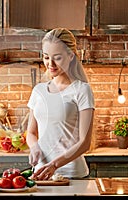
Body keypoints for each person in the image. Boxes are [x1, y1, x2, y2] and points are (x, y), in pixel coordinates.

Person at [26, 28, 95, 180]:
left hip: (72, 175)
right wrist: (35, 147)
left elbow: (85, 143)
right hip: (41, 175)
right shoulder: (38, 90)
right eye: (46, 57)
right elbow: (31, 133)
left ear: (70, 56)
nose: (50, 64)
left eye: (57, 58)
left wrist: (54, 165)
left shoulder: (82, 90)